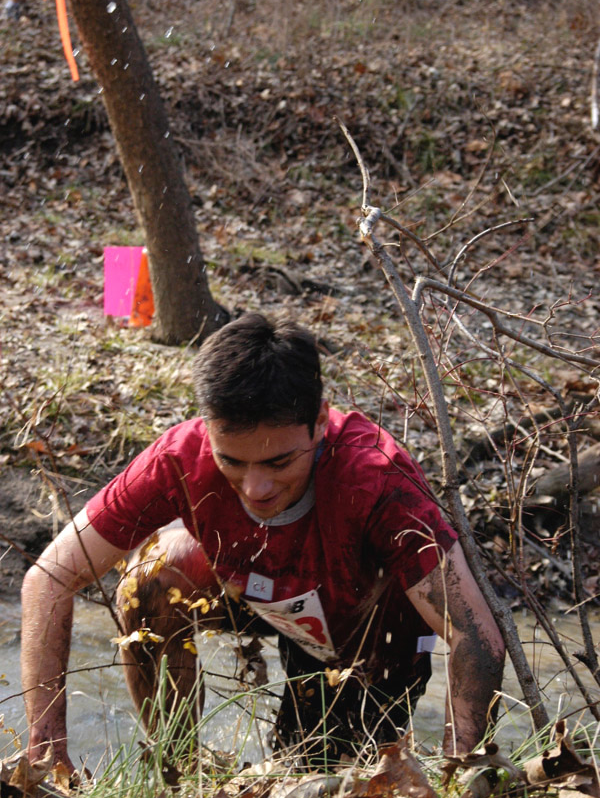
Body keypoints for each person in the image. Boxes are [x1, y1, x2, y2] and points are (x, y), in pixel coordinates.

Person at [21, 313, 505, 772]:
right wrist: (47, 751)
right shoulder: (179, 457)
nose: (255, 488)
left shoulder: (375, 476)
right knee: (146, 579)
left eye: (278, 464)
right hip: (257, 589)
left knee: (315, 779)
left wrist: (456, 775)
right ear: (207, 427)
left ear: (319, 422)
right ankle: (179, 769)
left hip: (363, 633)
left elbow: (476, 636)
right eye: (232, 461)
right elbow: (49, 578)